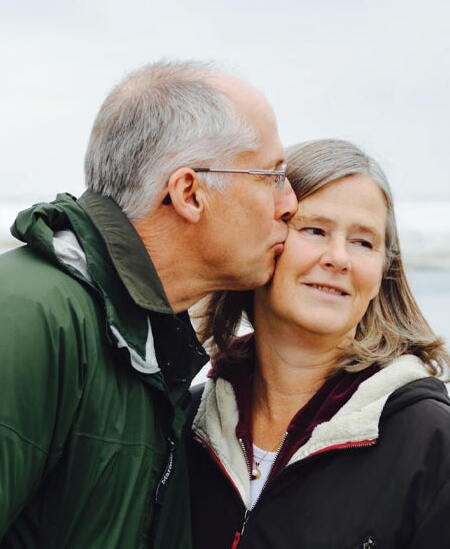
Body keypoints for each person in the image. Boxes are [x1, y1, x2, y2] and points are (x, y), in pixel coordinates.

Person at [0, 60, 297, 548]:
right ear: (188, 193)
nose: (290, 204)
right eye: (272, 175)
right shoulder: (31, 317)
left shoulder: (150, 344)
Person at [187, 139, 450, 549]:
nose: (338, 257)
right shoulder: (188, 423)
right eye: (314, 230)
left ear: (384, 270)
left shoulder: (433, 441)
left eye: (363, 241)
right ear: (265, 240)